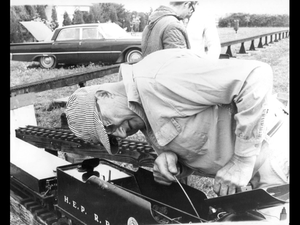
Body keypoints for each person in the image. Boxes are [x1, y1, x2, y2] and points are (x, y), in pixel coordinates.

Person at [66, 48, 289, 197]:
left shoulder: (160, 78)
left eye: (109, 125)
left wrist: (241, 160)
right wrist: (174, 162)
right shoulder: (137, 110)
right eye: (112, 136)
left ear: (104, 95)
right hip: (249, 173)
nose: (121, 134)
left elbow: (256, 77)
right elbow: (195, 128)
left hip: (273, 154)